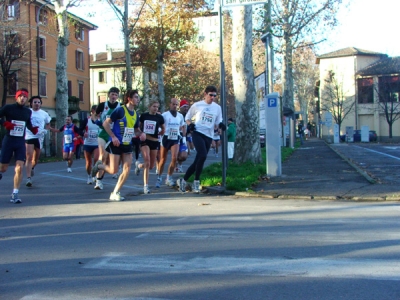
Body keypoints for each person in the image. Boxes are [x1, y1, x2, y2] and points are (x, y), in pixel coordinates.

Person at [91, 89, 145, 201]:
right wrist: (113, 136)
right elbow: (106, 123)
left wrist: (141, 133)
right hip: (116, 143)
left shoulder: (136, 114)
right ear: (129, 98)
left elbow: (136, 130)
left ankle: (115, 192)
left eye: (138, 97)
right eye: (135, 97)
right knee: (113, 170)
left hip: (127, 143)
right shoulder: (120, 110)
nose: (138, 99)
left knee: (127, 169)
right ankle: (99, 166)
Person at [177, 86, 225, 194]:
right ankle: (196, 182)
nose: (212, 97)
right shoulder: (197, 105)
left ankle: (184, 181)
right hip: (198, 133)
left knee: (199, 160)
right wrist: (190, 125)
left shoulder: (217, 108)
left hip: (209, 135)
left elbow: (218, 121)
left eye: (214, 95)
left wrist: (221, 125)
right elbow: (187, 117)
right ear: (205, 94)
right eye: (210, 95)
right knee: (202, 155)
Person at [0, 88, 39, 203]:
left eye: (25, 96)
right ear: (16, 97)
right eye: (20, 96)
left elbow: (27, 123)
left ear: (27, 99)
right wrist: (4, 123)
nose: (23, 98)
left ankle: (15, 193)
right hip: (9, 140)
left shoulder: (28, 111)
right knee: (3, 168)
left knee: (19, 167)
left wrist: (32, 128)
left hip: (20, 142)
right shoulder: (8, 108)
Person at [134, 100, 165, 194]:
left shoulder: (159, 117)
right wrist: (141, 133)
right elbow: (137, 127)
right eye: (154, 106)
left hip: (155, 141)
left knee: (151, 165)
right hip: (145, 140)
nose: (156, 108)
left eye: (157, 107)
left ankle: (139, 165)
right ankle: (146, 186)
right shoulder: (144, 116)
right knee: (147, 159)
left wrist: (161, 132)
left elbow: (163, 128)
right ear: (149, 107)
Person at [93, 87, 121, 190]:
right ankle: (98, 181)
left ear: (118, 97)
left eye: (116, 95)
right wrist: (97, 122)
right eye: (112, 94)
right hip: (103, 133)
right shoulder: (102, 105)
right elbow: (94, 116)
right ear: (109, 95)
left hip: (113, 134)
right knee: (103, 155)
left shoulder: (120, 107)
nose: (114, 97)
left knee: (107, 158)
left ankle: (99, 172)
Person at [156, 98, 185, 188]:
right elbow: (159, 125)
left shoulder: (180, 116)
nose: (175, 106)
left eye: (176, 105)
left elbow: (182, 126)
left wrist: (183, 137)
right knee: (163, 159)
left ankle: (169, 177)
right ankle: (159, 177)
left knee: (174, 158)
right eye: (173, 104)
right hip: (166, 138)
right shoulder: (164, 115)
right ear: (170, 104)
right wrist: (160, 131)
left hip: (175, 138)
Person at [25, 95, 52, 187]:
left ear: (40, 104)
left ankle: (32, 167)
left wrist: (46, 130)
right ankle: (28, 178)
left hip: (39, 136)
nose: (37, 104)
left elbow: (48, 124)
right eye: (35, 102)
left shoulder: (44, 113)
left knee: (35, 159)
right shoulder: (27, 112)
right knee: (29, 157)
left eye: (38, 102)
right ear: (31, 103)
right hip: (29, 135)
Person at [79, 105, 100, 184]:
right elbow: (79, 130)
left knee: (96, 159)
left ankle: (95, 175)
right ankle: (89, 176)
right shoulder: (86, 120)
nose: (99, 113)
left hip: (96, 143)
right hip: (87, 143)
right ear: (93, 111)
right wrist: (83, 133)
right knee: (88, 162)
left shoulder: (100, 120)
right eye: (98, 111)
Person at [176, 99, 190, 172]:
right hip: (176, 137)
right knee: (176, 154)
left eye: (187, 107)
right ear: (180, 107)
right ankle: (177, 166)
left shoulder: (188, 116)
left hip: (184, 138)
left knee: (184, 156)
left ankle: (178, 164)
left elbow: (189, 128)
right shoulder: (177, 115)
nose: (186, 108)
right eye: (184, 107)